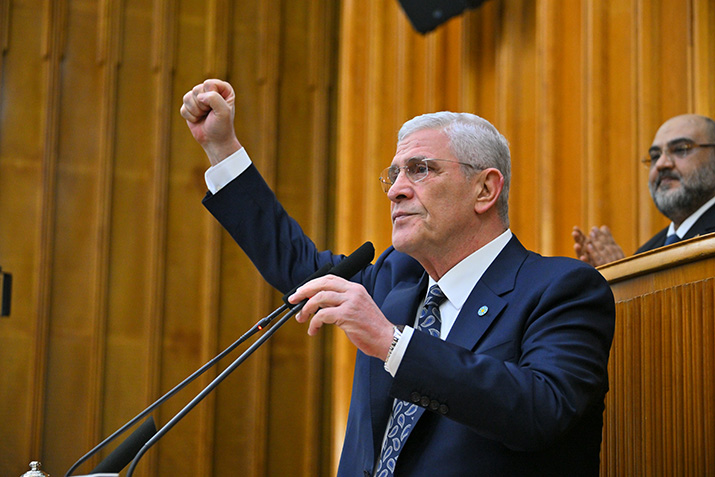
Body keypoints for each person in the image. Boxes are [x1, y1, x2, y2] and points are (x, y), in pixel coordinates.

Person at [181, 79, 615, 476]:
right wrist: (222, 147)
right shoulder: (395, 280)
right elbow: (295, 263)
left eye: (421, 169)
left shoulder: (561, 289)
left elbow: (542, 410)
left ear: (485, 189)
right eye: (394, 174)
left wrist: (392, 343)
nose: (395, 190)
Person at [573, 114, 715, 267]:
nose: (661, 163)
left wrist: (624, 276)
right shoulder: (646, 252)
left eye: (681, 149)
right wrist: (616, 274)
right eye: (655, 156)